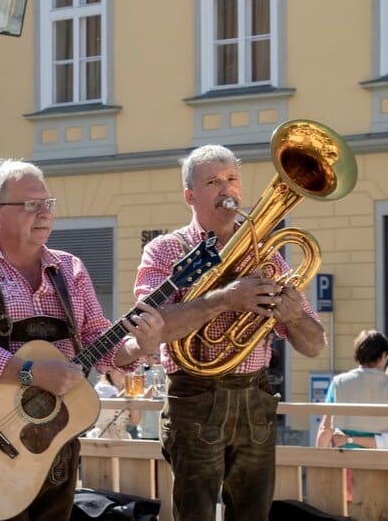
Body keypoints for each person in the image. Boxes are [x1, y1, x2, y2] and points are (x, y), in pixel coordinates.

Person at [0, 159, 164, 521]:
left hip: (57, 441)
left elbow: (98, 342)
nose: (44, 212)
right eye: (31, 204)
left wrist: (141, 345)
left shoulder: (69, 268)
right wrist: (31, 373)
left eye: (48, 203)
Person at [134, 144, 327, 521]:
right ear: (190, 195)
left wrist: (294, 317)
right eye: (213, 181)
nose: (227, 189)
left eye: (232, 179)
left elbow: (315, 345)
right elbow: (152, 328)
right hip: (193, 395)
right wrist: (224, 299)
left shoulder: (267, 254)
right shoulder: (165, 250)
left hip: (254, 395)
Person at [316, 329, 388, 449]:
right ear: (384, 355)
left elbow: (326, 428)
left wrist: (318, 460)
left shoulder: (339, 383)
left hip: (347, 459)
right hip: (381, 461)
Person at [85, 368, 140, 441]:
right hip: (103, 436)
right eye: (120, 368)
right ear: (109, 370)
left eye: (128, 368)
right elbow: (114, 404)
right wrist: (130, 389)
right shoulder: (102, 387)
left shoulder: (127, 390)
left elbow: (135, 421)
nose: (124, 371)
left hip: (122, 437)